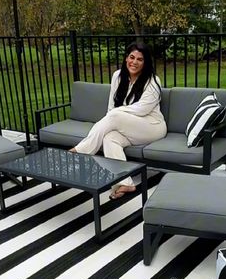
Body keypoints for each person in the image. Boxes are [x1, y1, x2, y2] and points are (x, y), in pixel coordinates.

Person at [70, 42, 166, 199]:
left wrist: (116, 114)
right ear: (126, 58)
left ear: (145, 62)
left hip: (152, 126)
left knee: (115, 116)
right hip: (127, 126)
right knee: (109, 139)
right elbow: (111, 108)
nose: (134, 62)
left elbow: (142, 109)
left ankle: (81, 151)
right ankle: (125, 183)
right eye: (131, 57)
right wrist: (115, 115)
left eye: (140, 59)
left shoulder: (153, 81)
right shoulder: (117, 76)